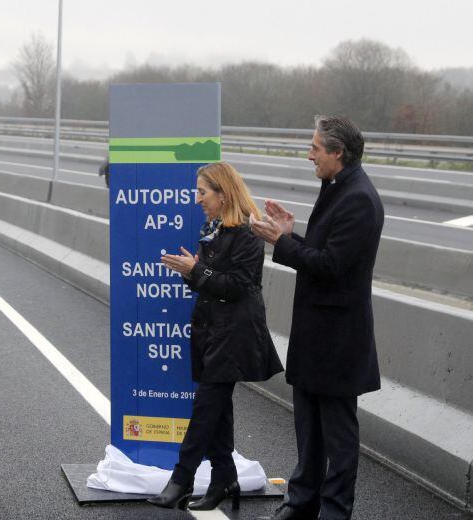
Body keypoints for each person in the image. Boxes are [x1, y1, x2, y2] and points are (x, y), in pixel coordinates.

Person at [251, 115, 384, 520]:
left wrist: (282, 243)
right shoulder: (337, 187)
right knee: (308, 428)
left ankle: (335, 509)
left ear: (337, 152)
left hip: (339, 340)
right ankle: (302, 500)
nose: (309, 155)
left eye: (315, 148)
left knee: (339, 436)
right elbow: (326, 253)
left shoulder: (358, 197)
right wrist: (291, 234)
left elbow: (330, 265)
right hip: (317, 335)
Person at [149, 162, 283, 511]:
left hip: (235, 334)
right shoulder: (216, 228)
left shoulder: (250, 234)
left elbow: (238, 286)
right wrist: (189, 271)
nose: (197, 199)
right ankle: (225, 478)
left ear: (223, 194)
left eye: (203, 192)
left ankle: (182, 478)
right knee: (218, 407)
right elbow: (209, 282)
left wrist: (199, 270)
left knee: (206, 406)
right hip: (212, 330)